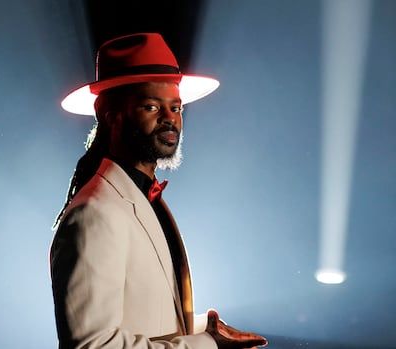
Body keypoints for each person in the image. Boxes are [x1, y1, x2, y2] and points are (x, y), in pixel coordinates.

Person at [50, 33, 267, 349]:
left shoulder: (141, 199)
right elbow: (92, 345)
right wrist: (205, 344)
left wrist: (205, 326)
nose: (170, 120)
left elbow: (140, 319)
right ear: (109, 116)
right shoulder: (95, 213)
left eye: (176, 108)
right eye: (151, 106)